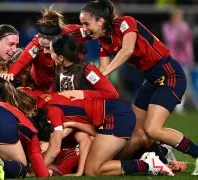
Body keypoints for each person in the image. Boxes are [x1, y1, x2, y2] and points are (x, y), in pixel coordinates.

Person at [79, 0, 198, 176]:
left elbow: (127, 51)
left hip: (170, 74)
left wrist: (104, 73)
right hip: (151, 79)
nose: (84, 28)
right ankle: (162, 155)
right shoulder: (104, 42)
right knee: (135, 130)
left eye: (86, 23)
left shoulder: (127, 23)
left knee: (152, 129)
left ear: (101, 21)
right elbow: (104, 75)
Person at [22, 87, 173, 177]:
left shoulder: (51, 112)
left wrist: (36, 173)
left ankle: (148, 163)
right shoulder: (46, 98)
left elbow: (54, 150)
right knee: (99, 163)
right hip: (111, 115)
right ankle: (151, 152)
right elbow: (86, 137)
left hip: (114, 116)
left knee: (93, 170)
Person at [1, 7, 89, 91]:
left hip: (63, 81)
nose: (44, 51)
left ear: (58, 38)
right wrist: (10, 74)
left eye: (47, 47)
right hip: (40, 83)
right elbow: (21, 61)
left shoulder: (72, 32)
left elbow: (96, 30)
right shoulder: (35, 45)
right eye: (41, 47)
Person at [50, 34, 118, 100]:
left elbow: (112, 94)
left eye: (51, 52)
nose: (49, 54)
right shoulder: (58, 67)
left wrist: (83, 94)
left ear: (61, 57)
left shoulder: (88, 70)